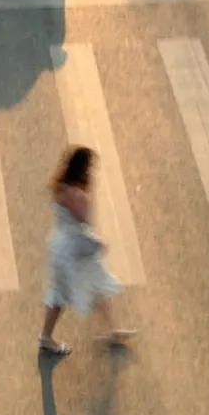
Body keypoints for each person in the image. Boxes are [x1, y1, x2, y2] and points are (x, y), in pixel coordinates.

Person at [39, 146, 134, 356]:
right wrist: (88, 196)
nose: (91, 171)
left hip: (67, 245)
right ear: (82, 168)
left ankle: (112, 330)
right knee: (60, 295)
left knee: (93, 282)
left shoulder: (61, 187)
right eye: (90, 167)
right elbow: (85, 219)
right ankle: (46, 337)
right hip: (71, 250)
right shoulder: (74, 193)